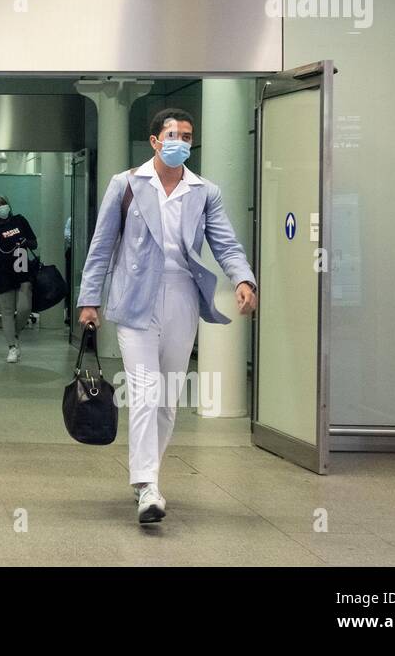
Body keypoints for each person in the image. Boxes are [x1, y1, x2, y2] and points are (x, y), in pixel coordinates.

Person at [77, 108, 257, 526]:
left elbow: (226, 242)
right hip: (136, 298)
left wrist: (244, 279)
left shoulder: (204, 191)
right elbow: (101, 245)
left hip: (182, 298)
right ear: (155, 140)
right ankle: (148, 486)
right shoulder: (126, 184)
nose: (180, 141)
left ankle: (147, 478)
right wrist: (90, 299)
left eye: (187, 135)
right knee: (143, 391)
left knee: (168, 397)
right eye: (172, 134)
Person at [0, 195, 37, 363]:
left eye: (3, 203)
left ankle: (15, 333)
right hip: (2, 273)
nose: (1, 206)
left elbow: (34, 243)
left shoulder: (19, 221)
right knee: (7, 311)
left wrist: (26, 241)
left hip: (22, 268)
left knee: (24, 308)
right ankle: (12, 346)